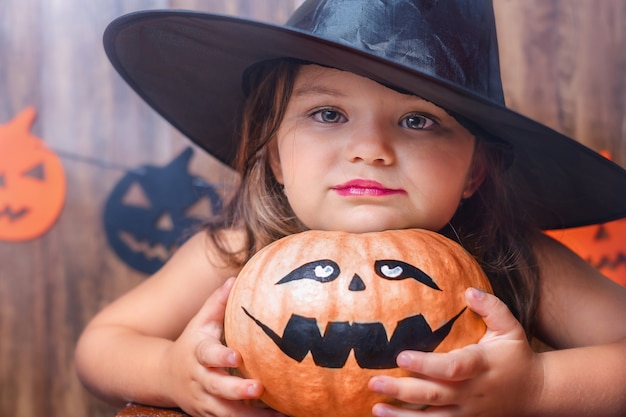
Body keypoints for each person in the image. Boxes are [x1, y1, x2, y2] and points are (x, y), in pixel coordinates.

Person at [75, 1, 626, 416]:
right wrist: (172, 373)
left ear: (473, 171)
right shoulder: (239, 251)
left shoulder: (516, 257)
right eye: (328, 114)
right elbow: (103, 345)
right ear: (276, 155)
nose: (371, 149)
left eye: (418, 120)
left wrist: (535, 388)